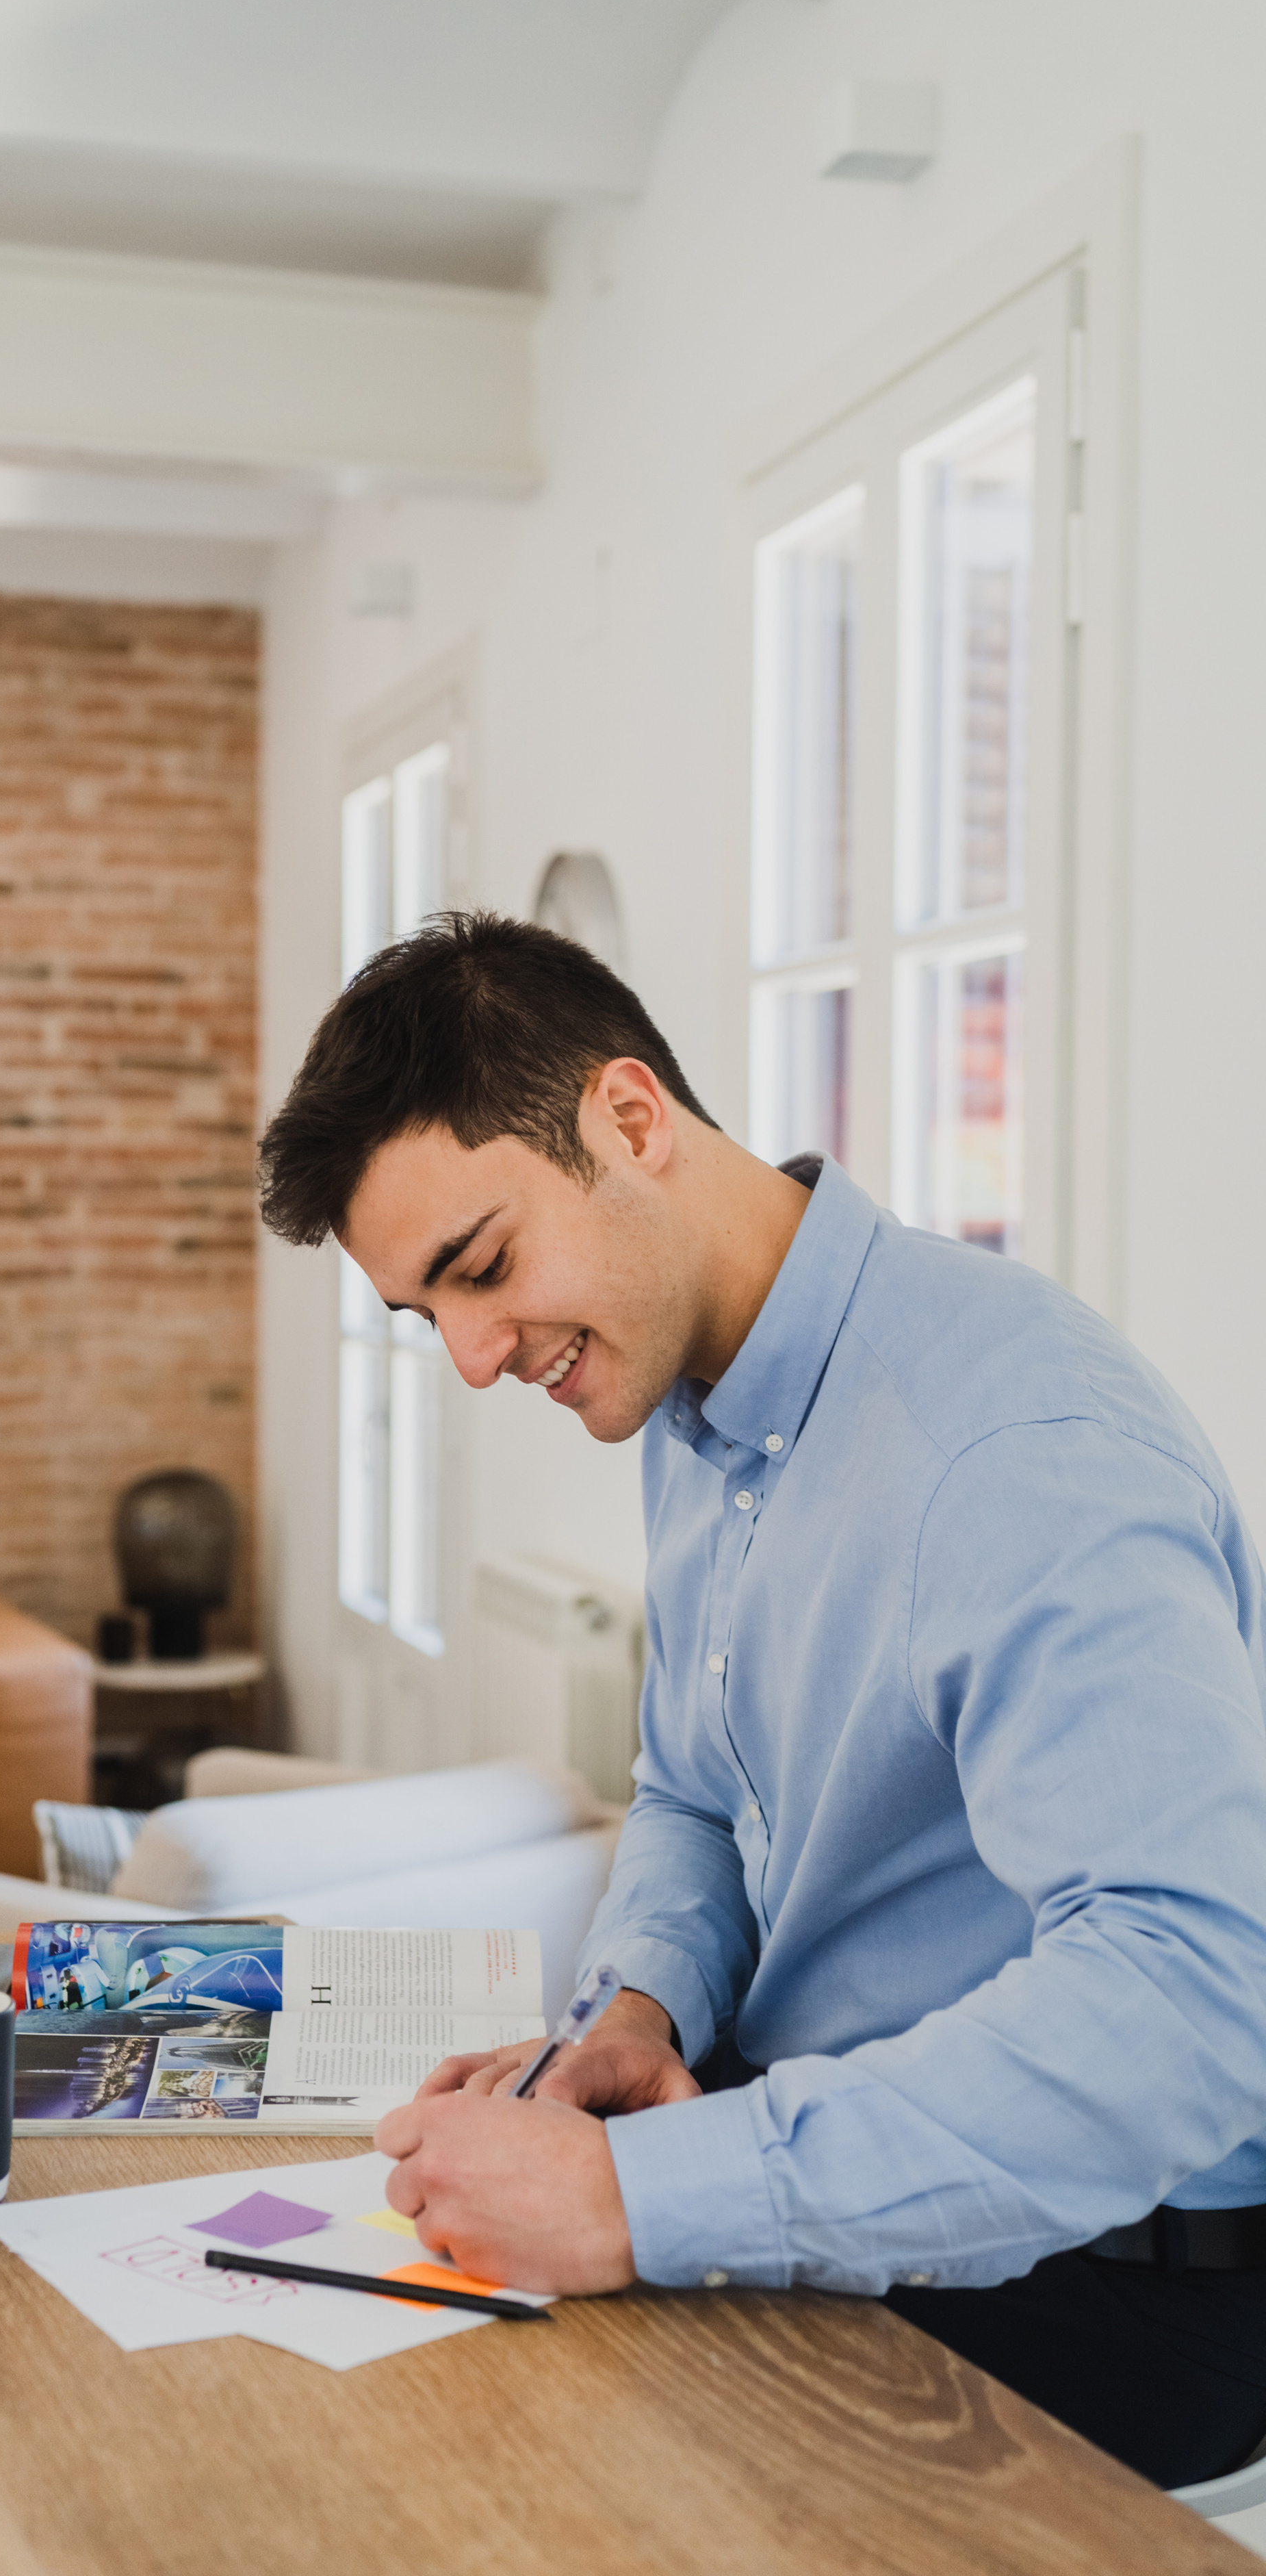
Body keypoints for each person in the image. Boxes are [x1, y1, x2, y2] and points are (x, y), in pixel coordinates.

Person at [255, 910, 1266, 2488]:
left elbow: (1188, 1995)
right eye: (423, 1313)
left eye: (482, 1268)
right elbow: (688, 1788)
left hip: (1095, 2275)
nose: (468, 1359)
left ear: (628, 1119)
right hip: (808, 2148)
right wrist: (637, 2010)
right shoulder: (687, 1397)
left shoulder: (1015, 1448)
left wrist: (632, 2201)